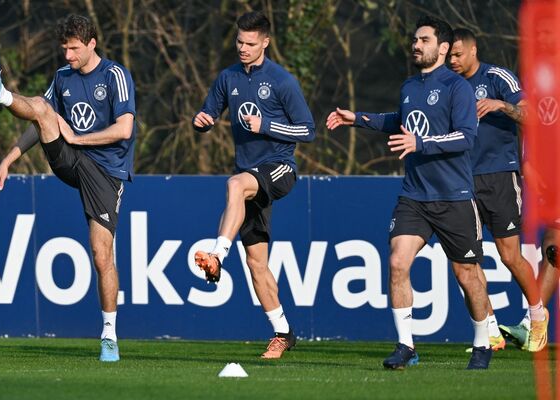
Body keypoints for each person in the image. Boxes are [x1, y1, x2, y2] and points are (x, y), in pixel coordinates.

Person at [326, 15, 492, 369]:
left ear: (443, 48)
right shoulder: (409, 86)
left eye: (424, 40)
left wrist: (422, 142)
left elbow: (465, 136)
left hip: (454, 196)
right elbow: (398, 120)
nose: (416, 45)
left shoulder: (457, 88)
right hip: (415, 195)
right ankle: (406, 346)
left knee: (467, 275)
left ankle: (482, 344)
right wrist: (358, 118)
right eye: (415, 39)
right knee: (397, 262)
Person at [0, 14, 136, 362]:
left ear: (92, 44)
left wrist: (80, 137)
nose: (68, 56)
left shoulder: (115, 76)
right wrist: (9, 159)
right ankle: (1, 92)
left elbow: (124, 129)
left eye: (74, 49)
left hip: (106, 172)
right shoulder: (62, 77)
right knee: (40, 105)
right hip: (70, 159)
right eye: (64, 48)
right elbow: (41, 119)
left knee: (101, 255)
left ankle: (109, 336)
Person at [191, 11, 315, 359]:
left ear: (265, 42)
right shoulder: (227, 77)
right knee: (257, 265)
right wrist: (202, 122)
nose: (242, 48)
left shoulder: (282, 81)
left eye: (249, 43)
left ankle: (217, 254)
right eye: (239, 42)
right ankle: (282, 332)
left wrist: (266, 126)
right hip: (250, 179)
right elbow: (208, 113)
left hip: (278, 169)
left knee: (234, 185)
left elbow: (308, 130)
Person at [449, 28, 548, 352]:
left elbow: (533, 116)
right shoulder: (447, 84)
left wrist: (501, 105)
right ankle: (489, 331)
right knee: (464, 262)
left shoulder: (497, 77)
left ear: (474, 50)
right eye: (449, 55)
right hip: (461, 179)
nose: (453, 60)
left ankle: (537, 317)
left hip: (499, 176)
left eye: (458, 54)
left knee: (509, 256)